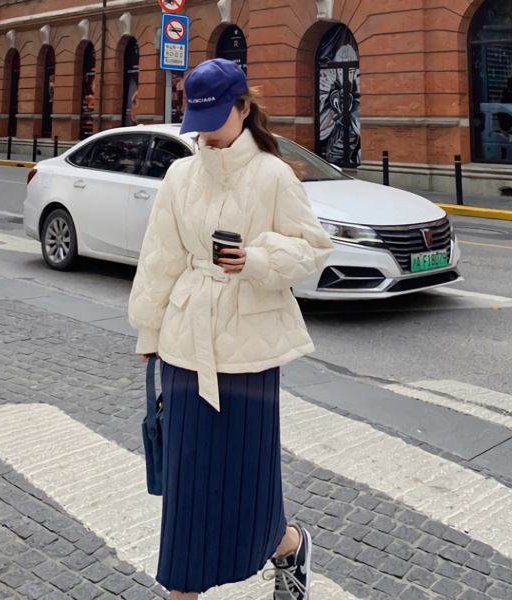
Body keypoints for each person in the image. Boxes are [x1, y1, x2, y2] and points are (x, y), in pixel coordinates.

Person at [128, 58, 334, 600]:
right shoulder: (180, 175)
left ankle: (288, 544)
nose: (207, 133)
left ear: (244, 107)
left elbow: (314, 249)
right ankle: (184, 591)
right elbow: (160, 257)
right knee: (187, 484)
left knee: (248, 481)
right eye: (198, 121)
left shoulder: (273, 174)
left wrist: (257, 260)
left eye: (216, 117)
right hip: (184, 341)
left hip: (250, 349)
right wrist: (149, 331)